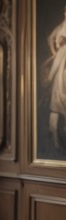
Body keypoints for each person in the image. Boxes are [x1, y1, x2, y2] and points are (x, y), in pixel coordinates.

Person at [45, 6, 66, 151]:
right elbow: (49, 39)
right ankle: (54, 139)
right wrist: (54, 52)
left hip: (62, 69)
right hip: (60, 72)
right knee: (56, 106)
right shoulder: (60, 27)